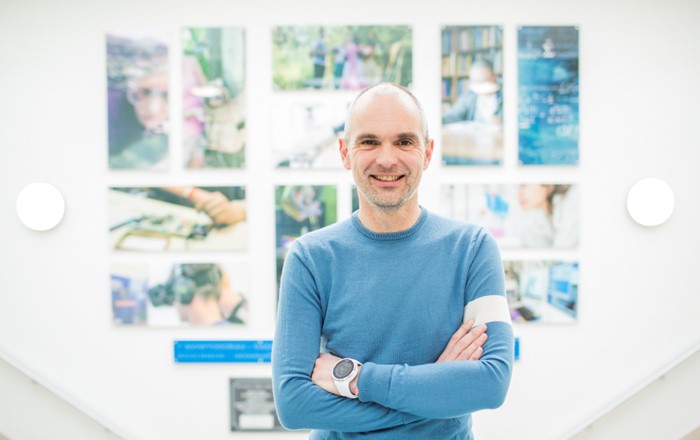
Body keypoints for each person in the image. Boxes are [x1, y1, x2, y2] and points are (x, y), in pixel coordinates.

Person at [272, 83, 514, 439]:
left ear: (428, 152)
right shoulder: (310, 257)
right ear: (344, 152)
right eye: (369, 141)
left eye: (404, 142)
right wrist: (433, 399)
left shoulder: (473, 248)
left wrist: (355, 377)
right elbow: (294, 404)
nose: (387, 159)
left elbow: (491, 383)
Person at [515, 184, 578, 248]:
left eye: (524, 185)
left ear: (548, 186)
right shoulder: (533, 223)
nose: (519, 193)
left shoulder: (573, 202)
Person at [442, 58, 503, 125]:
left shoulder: (504, 97)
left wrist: (501, 121)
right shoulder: (468, 97)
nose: (479, 86)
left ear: (494, 77)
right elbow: (453, 115)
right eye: (475, 81)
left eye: (483, 80)